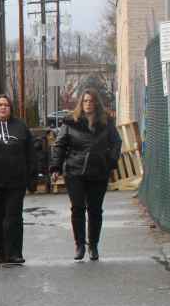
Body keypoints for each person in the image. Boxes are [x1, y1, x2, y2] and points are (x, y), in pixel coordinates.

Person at [50, 89, 122, 261]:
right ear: (80, 104)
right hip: (75, 170)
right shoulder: (70, 122)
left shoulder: (106, 123)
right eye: (85, 101)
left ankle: (93, 245)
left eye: (91, 101)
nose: (88, 104)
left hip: (98, 171)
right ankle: (80, 245)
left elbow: (116, 143)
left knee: (95, 210)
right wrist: (55, 168)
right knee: (77, 208)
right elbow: (59, 145)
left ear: (96, 103)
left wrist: (109, 162)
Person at [0, 94, 35, 265]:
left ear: (11, 108)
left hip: (16, 180)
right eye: (0, 105)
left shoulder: (20, 126)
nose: (3, 108)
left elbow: (30, 153)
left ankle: (15, 252)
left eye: (6, 105)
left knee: (14, 217)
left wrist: (32, 177)